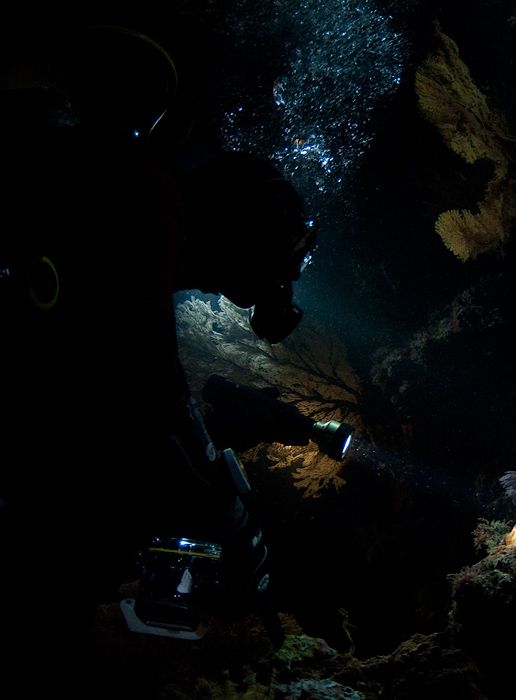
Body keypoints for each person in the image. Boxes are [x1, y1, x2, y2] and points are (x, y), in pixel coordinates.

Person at [0, 21, 314, 674]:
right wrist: (222, 503)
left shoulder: (156, 207)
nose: (274, 288)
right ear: (243, 230)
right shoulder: (150, 203)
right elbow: (148, 380)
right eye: (278, 259)